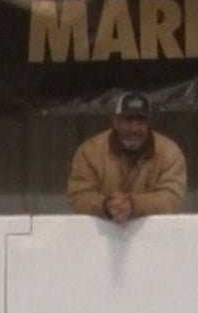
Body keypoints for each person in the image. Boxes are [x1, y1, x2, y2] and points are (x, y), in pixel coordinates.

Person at [67, 92, 186, 222]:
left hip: (155, 232)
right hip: (102, 231)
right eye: (128, 121)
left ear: (149, 124)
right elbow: (78, 196)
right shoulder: (90, 151)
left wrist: (134, 204)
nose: (134, 129)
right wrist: (106, 205)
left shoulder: (169, 151)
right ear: (115, 122)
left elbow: (172, 198)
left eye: (141, 122)